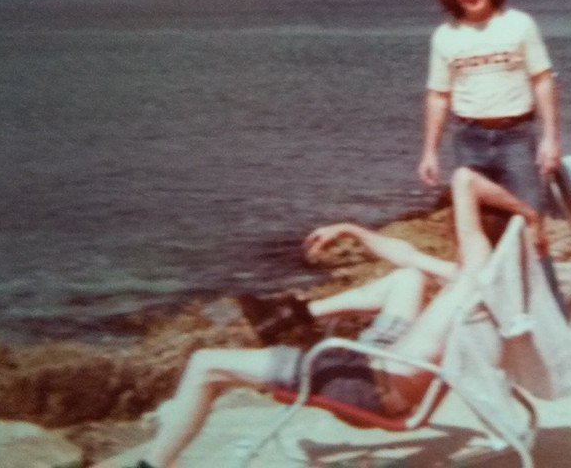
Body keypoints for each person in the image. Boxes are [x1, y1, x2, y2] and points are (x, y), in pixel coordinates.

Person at [111, 168, 543, 468]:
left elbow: (466, 179)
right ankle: (291, 317)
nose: (450, 228)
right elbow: (407, 255)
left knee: (206, 364)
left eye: (456, 225)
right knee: (409, 275)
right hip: (385, 368)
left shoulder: (473, 276)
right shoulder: (485, 286)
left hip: (368, 386)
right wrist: (352, 230)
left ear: (478, 240)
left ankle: (153, 463)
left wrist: (528, 215)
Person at [417, 0, 565, 313]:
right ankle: (492, 315)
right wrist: (429, 151)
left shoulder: (520, 25)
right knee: (475, 233)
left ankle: (553, 319)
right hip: (469, 142)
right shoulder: (444, 37)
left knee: (532, 230)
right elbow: (438, 96)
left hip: (517, 137)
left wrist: (550, 138)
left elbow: (543, 81)